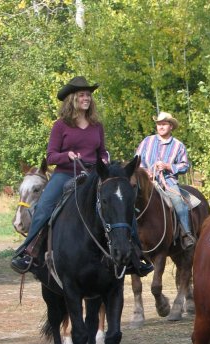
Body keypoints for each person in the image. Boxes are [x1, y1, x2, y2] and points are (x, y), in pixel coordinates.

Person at [11, 76, 152, 276]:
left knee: (121, 203)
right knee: (44, 207)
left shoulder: (97, 126)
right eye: (82, 95)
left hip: (93, 174)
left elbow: (102, 151)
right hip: (65, 173)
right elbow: (51, 156)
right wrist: (67, 155)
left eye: (88, 95)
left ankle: (136, 256)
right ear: (73, 99)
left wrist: (104, 160)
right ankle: (29, 252)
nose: (86, 98)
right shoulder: (61, 125)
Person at [135, 111, 196, 249]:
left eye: (164, 124)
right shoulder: (147, 141)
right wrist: (145, 172)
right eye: (158, 124)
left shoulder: (178, 145)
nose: (160, 127)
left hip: (167, 182)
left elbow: (185, 165)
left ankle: (186, 234)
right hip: (146, 182)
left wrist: (168, 166)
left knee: (178, 202)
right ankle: (129, 236)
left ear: (171, 127)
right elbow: (136, 161)